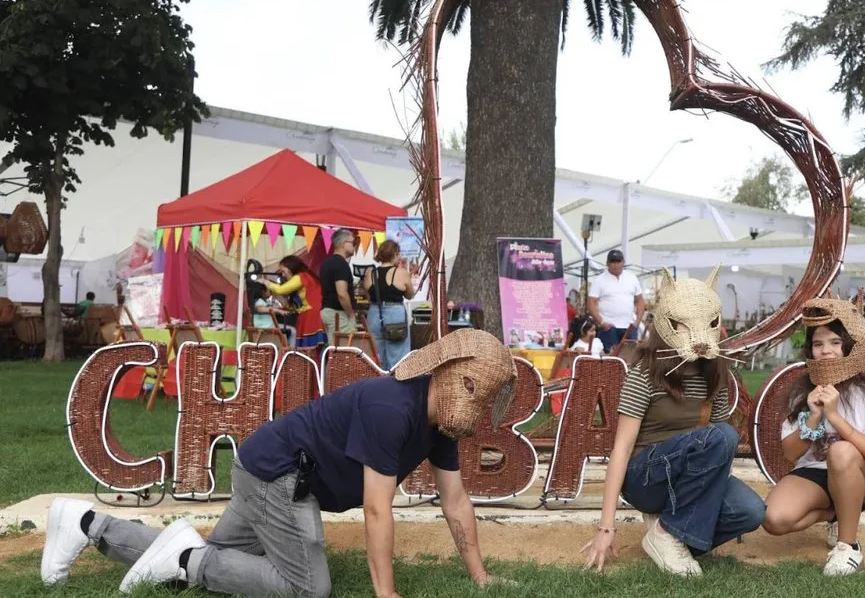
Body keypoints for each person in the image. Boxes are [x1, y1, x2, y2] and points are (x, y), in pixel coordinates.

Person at [41, 329, 519, 597]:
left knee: (218, 561)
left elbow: (455, 501)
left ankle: (83, 523)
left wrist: (480, 577)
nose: (482, 413)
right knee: (308, 589)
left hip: (271, 472)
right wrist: (386, 594)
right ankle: (187, 559)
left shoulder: (440, 425)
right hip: (281, 477)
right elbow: (377, 509)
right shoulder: (391, 408)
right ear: (461, 381)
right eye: (482, 397)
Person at [582, 268, 764, 576]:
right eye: (683, 323)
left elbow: (718, 449)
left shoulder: (716, 373)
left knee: (750, 511)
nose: (693, 331)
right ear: (668, 323)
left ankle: (668, 532)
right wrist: (606, 526)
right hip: (646, 476)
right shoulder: (645, 373)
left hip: (689, 476)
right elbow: (622, 449)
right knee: (722, 435)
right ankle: (671, 533)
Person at [762, 296, 865, 577]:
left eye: (835, 343)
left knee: (841, 451)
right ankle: (837, 512)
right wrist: (814, 415)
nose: (826, 351)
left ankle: (848, 546)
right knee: (773, 519)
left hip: (863, 474)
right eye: (818, 344)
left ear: (851, 346)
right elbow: (790, 454)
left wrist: (835, 417)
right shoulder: (803, 392)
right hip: (817, 472)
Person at [361, 240, 417, 370]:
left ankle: (379, 383)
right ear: (395, 254)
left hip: (375, 313)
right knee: (398, 355)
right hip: (394, 314)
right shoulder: (401, 272)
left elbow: (369, 297)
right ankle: (396, 384)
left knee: (376, 354)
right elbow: (409, 295)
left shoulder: (370, 274)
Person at [586, 249, 645, 354]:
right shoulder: (599, 280)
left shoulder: (632, 277)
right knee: (610, 359)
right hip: (609, 327)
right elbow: (591, 303)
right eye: (612, 262)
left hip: (629, 327)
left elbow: (640, 300)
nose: (615, 264)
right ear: (607, 263)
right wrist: (601, 322)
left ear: (623, 262)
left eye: (618, 261)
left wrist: (637, 322)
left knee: (630, 358)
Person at [266, 256, 326, 348]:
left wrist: (265, 282)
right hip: (306, 316)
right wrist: (274, 293)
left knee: (311, 349)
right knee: (309, 350)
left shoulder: (301, 276)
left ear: (290, 267)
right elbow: (292, 307)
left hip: (312, 316)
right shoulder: (302, 279)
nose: (282, 275)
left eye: (283, 271)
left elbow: (281, 290)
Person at [319, 228, 359, 344]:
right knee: (346, 351)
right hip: (339, 313)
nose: (354, 246)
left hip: (327, 310)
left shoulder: (326, 263)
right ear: (343, 244)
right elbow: (342, 293)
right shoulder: (341, 264)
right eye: (352, 243)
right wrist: (351, 314)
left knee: (335, 350)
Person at [249, 282, 295, 347]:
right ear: (263, 291)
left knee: (291, 330)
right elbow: (261, 309)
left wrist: (276, 296)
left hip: (269, 325)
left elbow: (281, 306)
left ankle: (289, 348)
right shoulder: (259, 301)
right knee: (293, 331)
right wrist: (279, 311)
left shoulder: (266, 301)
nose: (270, 291)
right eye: (268, 289)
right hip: (265, 327)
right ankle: (291, 350)